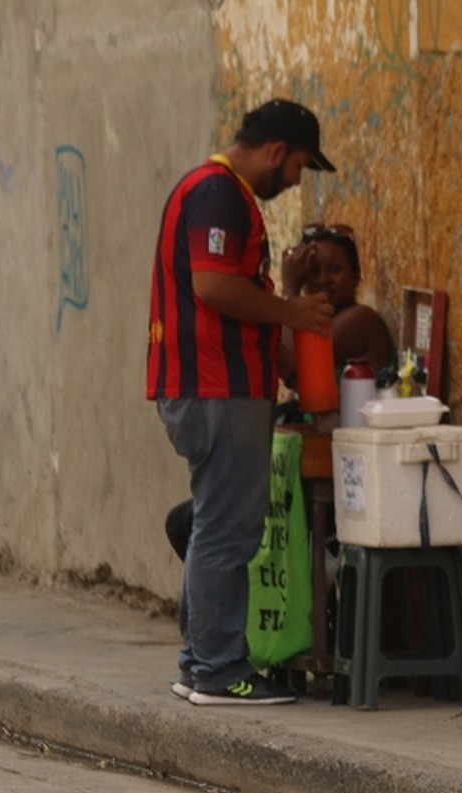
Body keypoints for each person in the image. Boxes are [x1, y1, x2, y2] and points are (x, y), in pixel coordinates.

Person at [147, 99, 338, 707]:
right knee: (229, 530)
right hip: (214, 386)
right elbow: (212, 286)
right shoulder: (218, 193)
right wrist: (292, 312)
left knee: (216, 523)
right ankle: (219, 669)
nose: (294, 182)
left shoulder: (220, 194)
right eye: (299, 168)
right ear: (278, 151)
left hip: (219, 387)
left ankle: (198, 661)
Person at [280, 222, 395, 380]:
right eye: (313, 271)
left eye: (335, 269)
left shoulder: (362, 319)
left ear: (356, 275)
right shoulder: (315, 322)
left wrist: (290, 290)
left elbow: (293, 366)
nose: (322, 279)